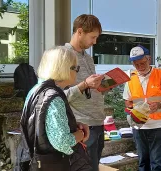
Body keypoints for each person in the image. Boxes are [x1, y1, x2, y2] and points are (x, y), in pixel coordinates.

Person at [20, 46, 92, 171]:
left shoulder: (36, 90)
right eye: (76, 68)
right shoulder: (54, 98)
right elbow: (63, 143)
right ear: (65, 69)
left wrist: (74, 125)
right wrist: (80, 134)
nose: (77, 72)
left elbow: (44, 125)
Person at [64, 14, 105, 171]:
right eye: (92, 37)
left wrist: (103, 87)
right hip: (81, 127)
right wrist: (84, 84)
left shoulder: (87, 57)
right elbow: (58, 96)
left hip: (97, 123)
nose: (95, 42)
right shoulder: (64, 56)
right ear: (79, 32)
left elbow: (89, 89)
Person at [123, 45, 161, 171]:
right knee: (143, 162)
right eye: (136, 64)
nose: (140, 67)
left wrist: (160, 105)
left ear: (149, 59)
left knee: (156, 162)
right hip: (138, 125)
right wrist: (130, 107)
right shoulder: (130, 77)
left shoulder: (160, 74)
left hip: (158, 125)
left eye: (142, 63)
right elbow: (127, 101)